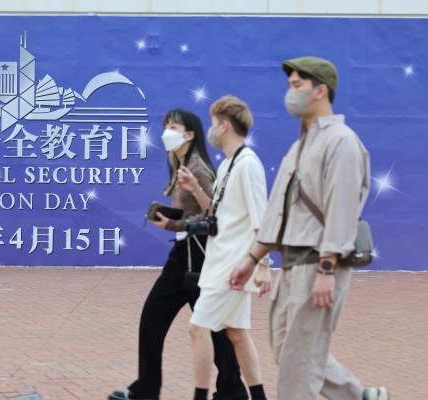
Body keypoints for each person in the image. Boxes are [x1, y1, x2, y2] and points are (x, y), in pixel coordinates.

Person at [228, 56, 389, 400]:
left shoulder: (341, 141)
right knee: (288, 349)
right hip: (291, 264)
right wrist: (252, 258)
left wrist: (327, 268)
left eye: (297, 85)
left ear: (320, 90)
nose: (290, 92)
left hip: (318, 262)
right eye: (289, 85)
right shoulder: (299, 146)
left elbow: (342, 208)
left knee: (298, 366)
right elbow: (278, 210)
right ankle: (359, 396)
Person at [108, 109, 248, 400]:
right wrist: (171, 218)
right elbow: (191, 213)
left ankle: (227, 390)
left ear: (190, 135)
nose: (166, 132)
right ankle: (228, 390)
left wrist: (180, 213)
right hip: (185, 253)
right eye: (165, 125)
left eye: (173, 127)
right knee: (191, 325)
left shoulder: (198, 168)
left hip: (198, 255)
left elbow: (213, 213)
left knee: (195, 326)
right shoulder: (179, 162)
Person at [179, 96, 271, 400]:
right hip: (221, 263)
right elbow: (217, 213)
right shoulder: (229, 164)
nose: (211, 130)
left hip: (232, 268)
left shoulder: (248, 165)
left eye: (213, 123)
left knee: (197, 329)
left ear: (224, 126)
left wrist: (263, 266)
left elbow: (262, 220)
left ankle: (199, 396)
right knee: (237, 333)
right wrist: (195, 188)